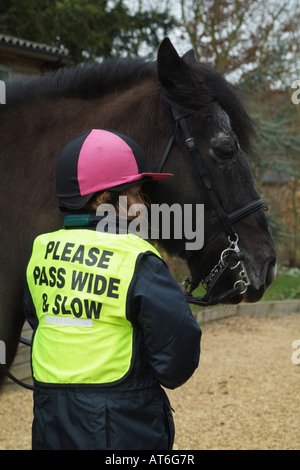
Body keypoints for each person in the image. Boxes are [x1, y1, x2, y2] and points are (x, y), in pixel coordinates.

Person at [24, 129, 201, 450]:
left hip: (51, 422)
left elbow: (41, 319)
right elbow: (177, 360)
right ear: (103, 198)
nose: (142, 206)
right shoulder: (136, 257)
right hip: (123, 425)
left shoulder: (41, 249)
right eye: (136, 194)